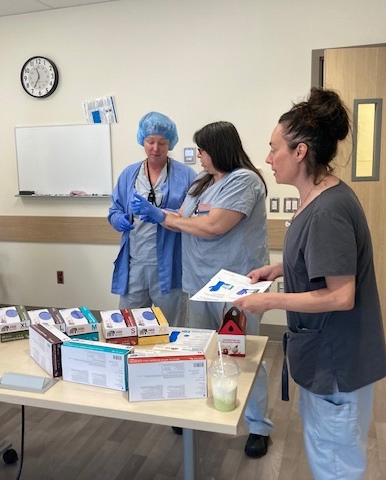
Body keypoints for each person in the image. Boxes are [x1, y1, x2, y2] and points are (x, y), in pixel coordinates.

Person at [234, 87, 386, 479]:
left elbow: (341, 295)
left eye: (274, 149)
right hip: (328, 356)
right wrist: (280, 270)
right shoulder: (319, 198)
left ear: (300, 152)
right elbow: (322, 261)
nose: (268, 159)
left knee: (335, 465)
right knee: (328, 453)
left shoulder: (327, 212)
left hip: (336, 362)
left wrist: (270, 303)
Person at [131, 121, 274, 458]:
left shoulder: (244, 181)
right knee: (199, 351)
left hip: (234, 289)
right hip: (199, 283)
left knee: (242, 353)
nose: (199, 157)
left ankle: (258, 426)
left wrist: (165, 218)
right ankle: (196, 413)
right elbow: (184, 216)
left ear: (220, 150)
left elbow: (211, 226)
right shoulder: (203, 181)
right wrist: (159, 214)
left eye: (204, 151)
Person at [108, 112, 196, 327]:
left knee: (172, 326)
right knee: (129, 325)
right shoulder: (129, 174)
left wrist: (160, 213)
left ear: (170, 143)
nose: (155, 148)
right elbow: (114, 208)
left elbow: (193, 218)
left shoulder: (186, 176)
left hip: (170, 265)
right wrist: (117, 218)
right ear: (142, 141)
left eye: (162, 142)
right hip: (135, 264)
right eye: (150, 141)